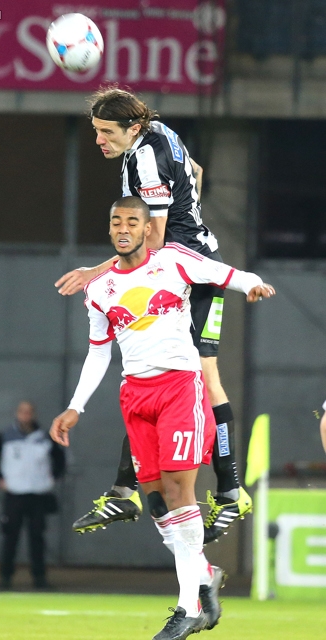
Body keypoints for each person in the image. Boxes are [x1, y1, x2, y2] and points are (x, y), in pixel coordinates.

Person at [51, 197, 275, 639]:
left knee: (179, 488)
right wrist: (76, 406)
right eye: (116, 220)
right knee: (156, 502)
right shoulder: (100, 289)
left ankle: (187, 606)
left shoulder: (172, 260)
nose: (122, 227)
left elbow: (222, 273)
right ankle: (204, 574)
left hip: (178, 387)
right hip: (134, 396)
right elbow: (99, 353)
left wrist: (253, 283)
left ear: (147, 227)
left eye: (132, 220)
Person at [55, 87, 251, 544]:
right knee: (171, 373)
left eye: (106, 132)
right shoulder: (160, 134)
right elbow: (195, 172)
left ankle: (228, 489)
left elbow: (154, 241)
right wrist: (191, 208)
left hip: (191, 274)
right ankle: (155, 489)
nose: (99, 140)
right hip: (194, 265)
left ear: (134, 128)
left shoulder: (143, 158)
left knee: (193, 373)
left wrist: (96, 271)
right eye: (96, 131)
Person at [0, 400, 66, 590]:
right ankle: (5, 577)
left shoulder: (45, 437)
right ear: (17, 414)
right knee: (10, 537)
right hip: (15, 495)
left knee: (37, 537)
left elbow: (60, 460)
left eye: (29, 412)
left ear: (33, 414)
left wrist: (52, 477)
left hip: (38, 495)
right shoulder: (5, 437)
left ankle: (39, 577)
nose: (26, 416)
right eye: (22, 412)